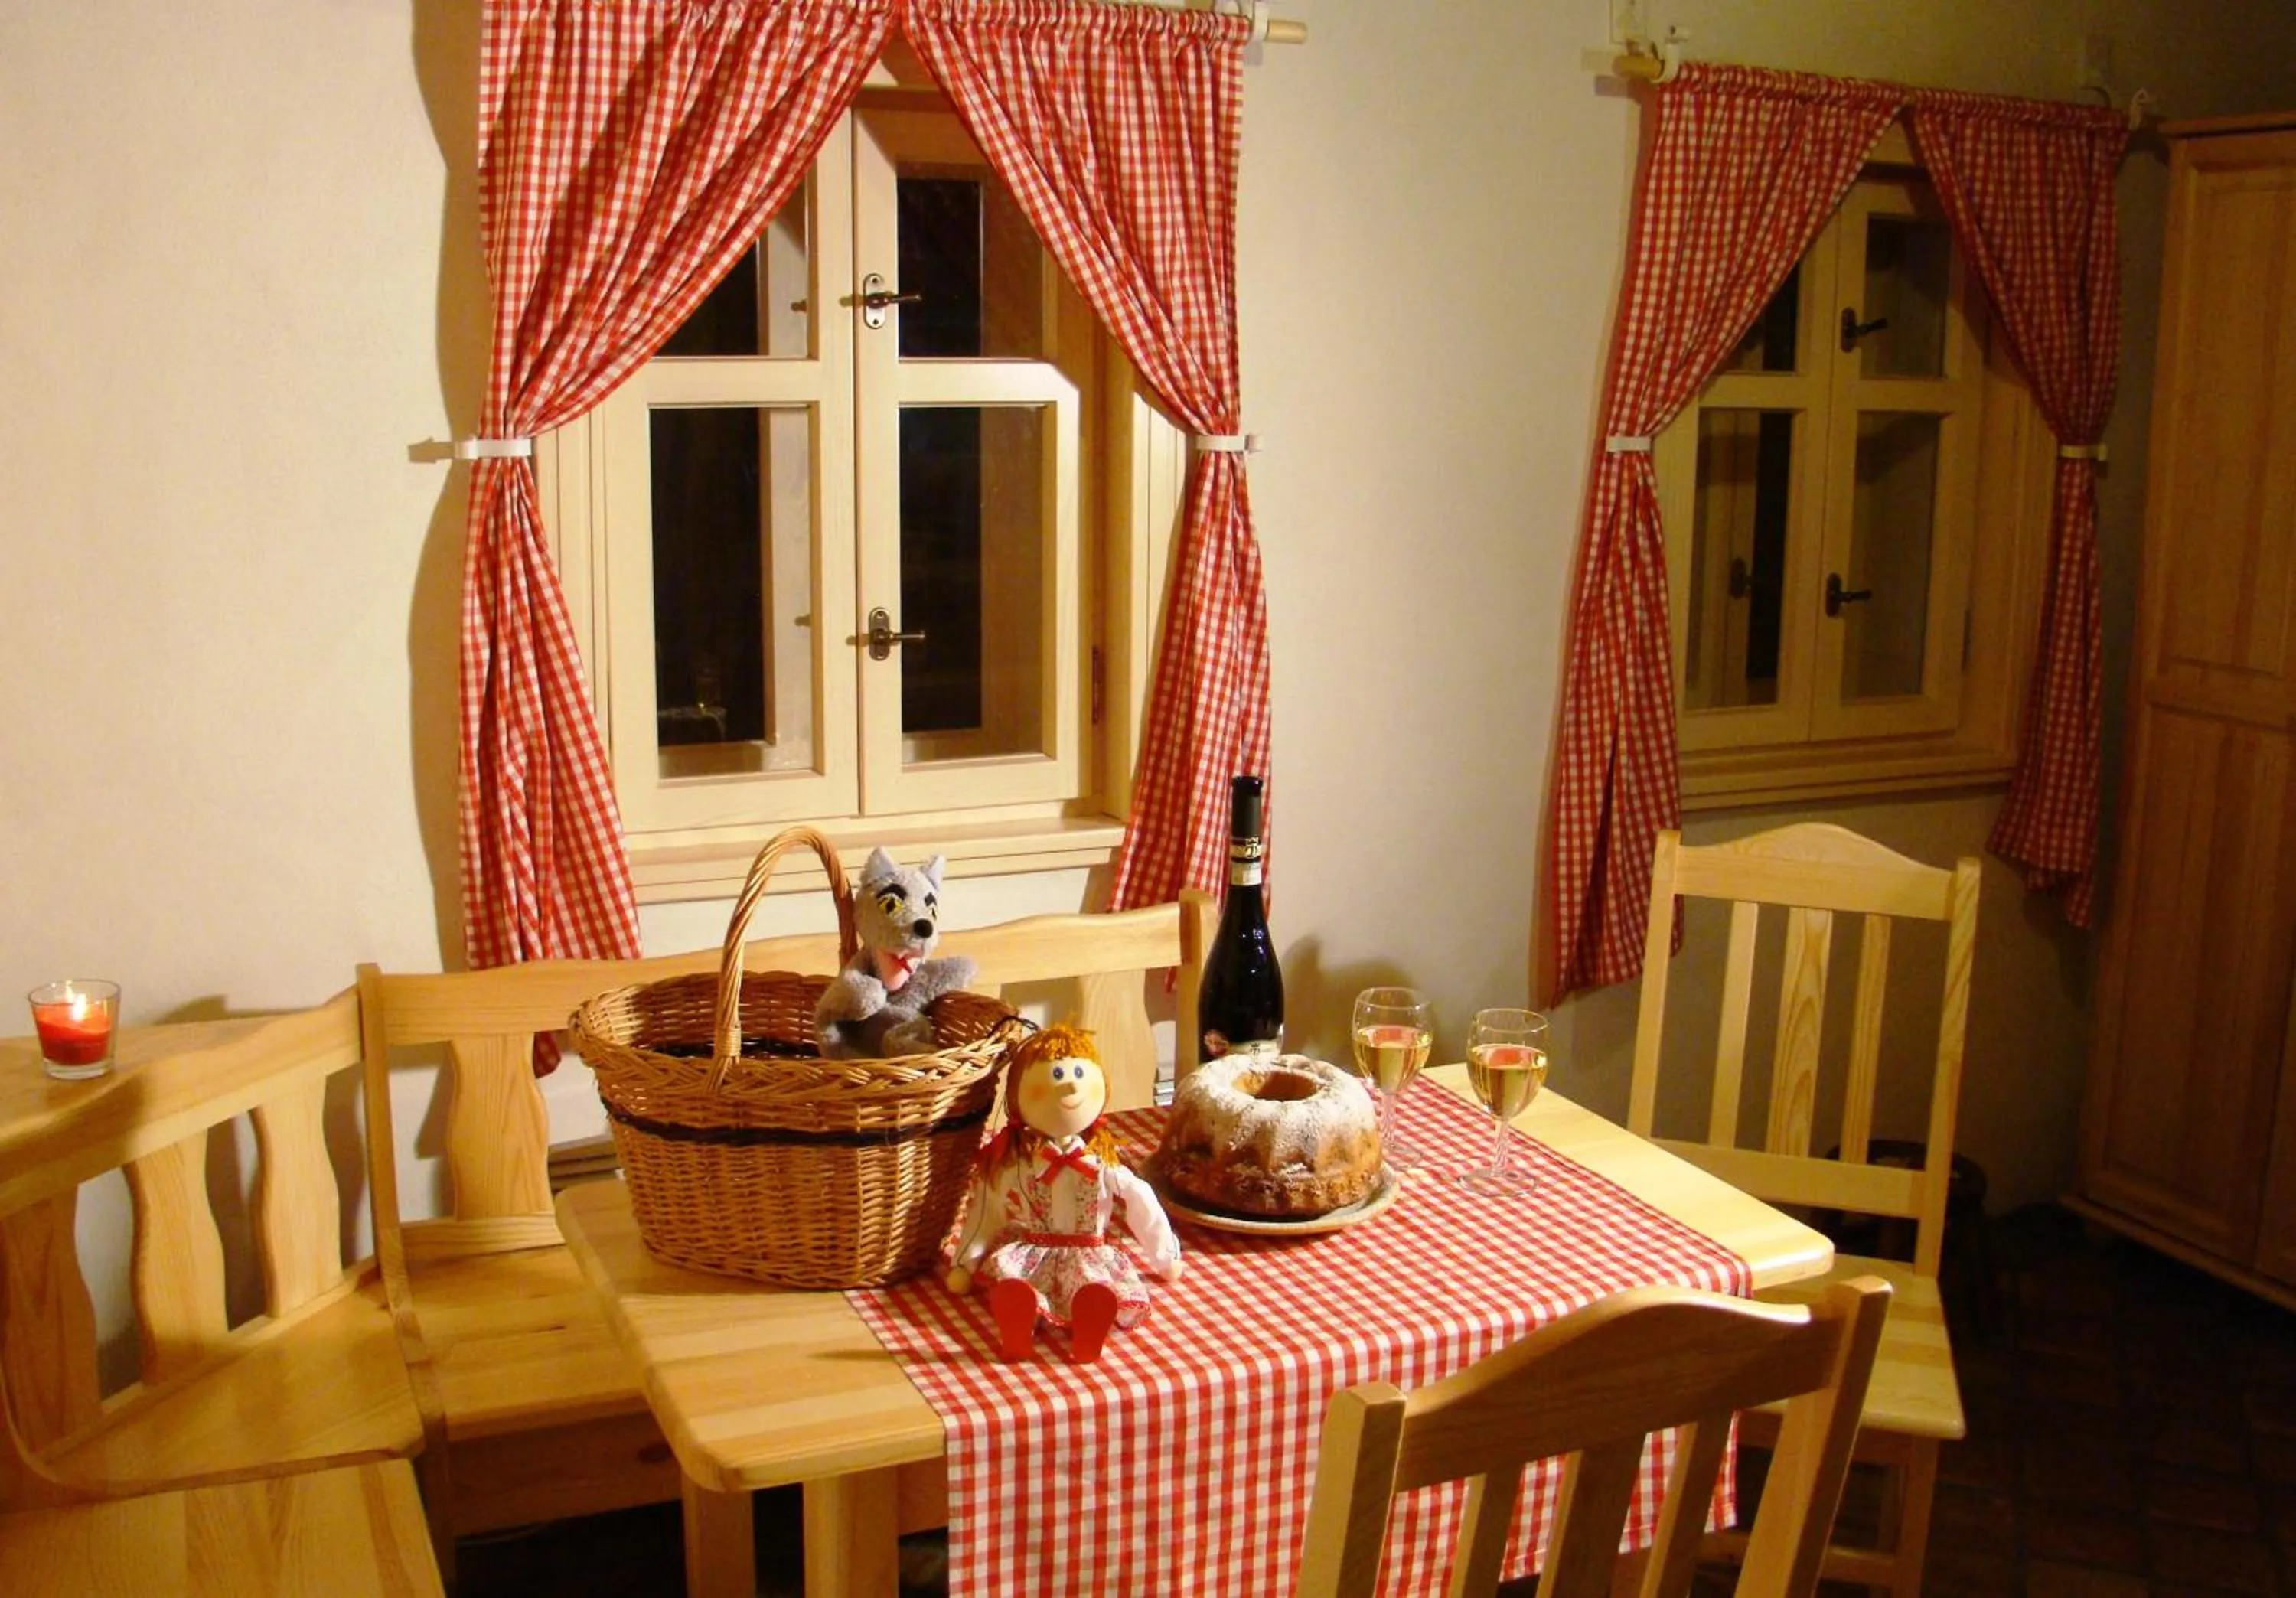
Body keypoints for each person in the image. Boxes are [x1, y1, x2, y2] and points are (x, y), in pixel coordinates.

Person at [946, 1024, 1182, 1362]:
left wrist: (1164, 1255)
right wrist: (966, 1262)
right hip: (1033, 1251)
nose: (1070, 1084)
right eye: (1057, 1074)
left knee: (1092, 1288)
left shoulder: (1101, 1163)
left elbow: (1140, 1199)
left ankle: (1088, 1323)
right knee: (1022, 1284)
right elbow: (987, 1208)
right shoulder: (1020, 1163)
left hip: (1087, 1255)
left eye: (1078, 1074)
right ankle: (1021, 1321)